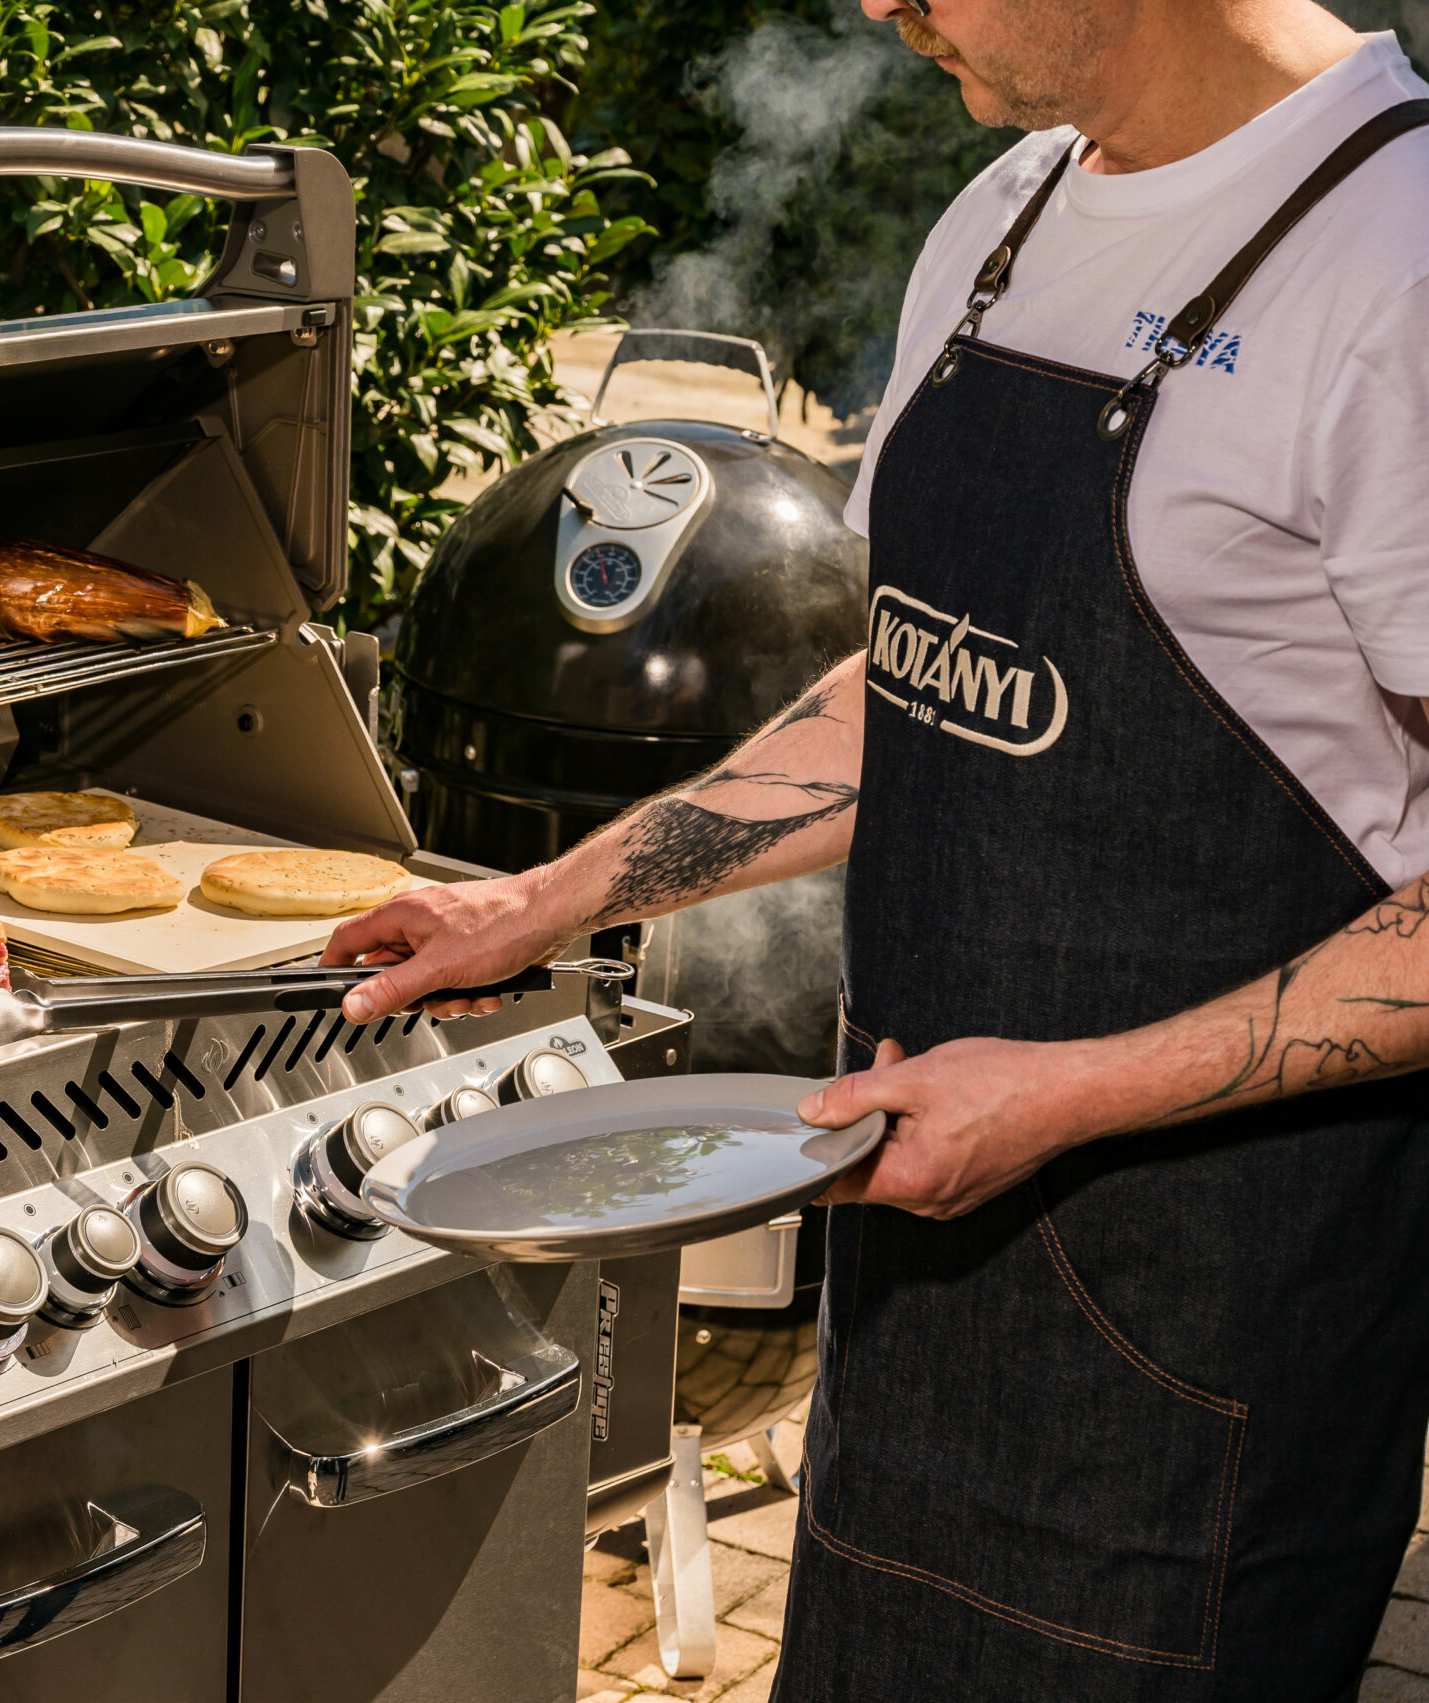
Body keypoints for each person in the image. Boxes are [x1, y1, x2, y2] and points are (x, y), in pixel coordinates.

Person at [325, 1, 1429, 1695]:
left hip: (1202, 1342)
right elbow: (920, 674)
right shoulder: (1004, 217)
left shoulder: (1397, 262)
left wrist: (1065, 1093)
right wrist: (542, 903)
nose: (875, 7)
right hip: (917, 1301)